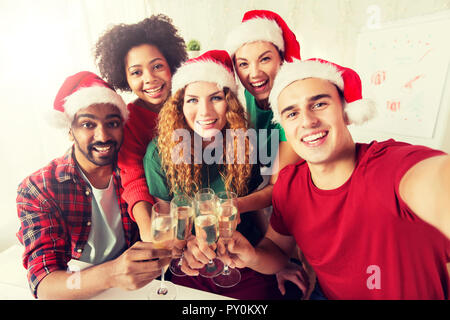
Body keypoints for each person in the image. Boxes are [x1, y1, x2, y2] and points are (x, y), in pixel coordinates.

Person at [221, 58, 450, 299]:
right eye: (292, 113)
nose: (308, 121)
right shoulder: (289, 184)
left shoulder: (392, 165)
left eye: (319, 104)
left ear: (346, 111)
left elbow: (437, 179)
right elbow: (277, 249)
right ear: (284, 128)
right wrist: (251, 256)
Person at [143, 50, 285, 300]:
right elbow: (165, 217)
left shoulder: (243, 143)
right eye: (193, 100)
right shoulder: (159, 153)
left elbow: (255, 211)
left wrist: (276, 261)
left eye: (216, 98)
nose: (205, 111)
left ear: (229, 104)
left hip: (240, 258)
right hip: (191, 262)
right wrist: (183, 246)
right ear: (179, 105)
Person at [16, 72, 171, 299]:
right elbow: (46, 284)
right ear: (70, 130)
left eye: (113, 123)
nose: (103, 135)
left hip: (141, 288)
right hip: (78, 287)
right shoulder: (39, 188)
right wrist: (111, 273)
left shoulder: (139, 172)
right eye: (88, 124)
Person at [94, 14, 188, 241]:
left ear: (171, 65)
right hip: (165, 220)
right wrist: (150, 233)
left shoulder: (193, 103)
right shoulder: (129, 121)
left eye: (157, 66)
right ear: (124, 78)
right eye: (136, 72)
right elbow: (133, 179)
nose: (150, 79)